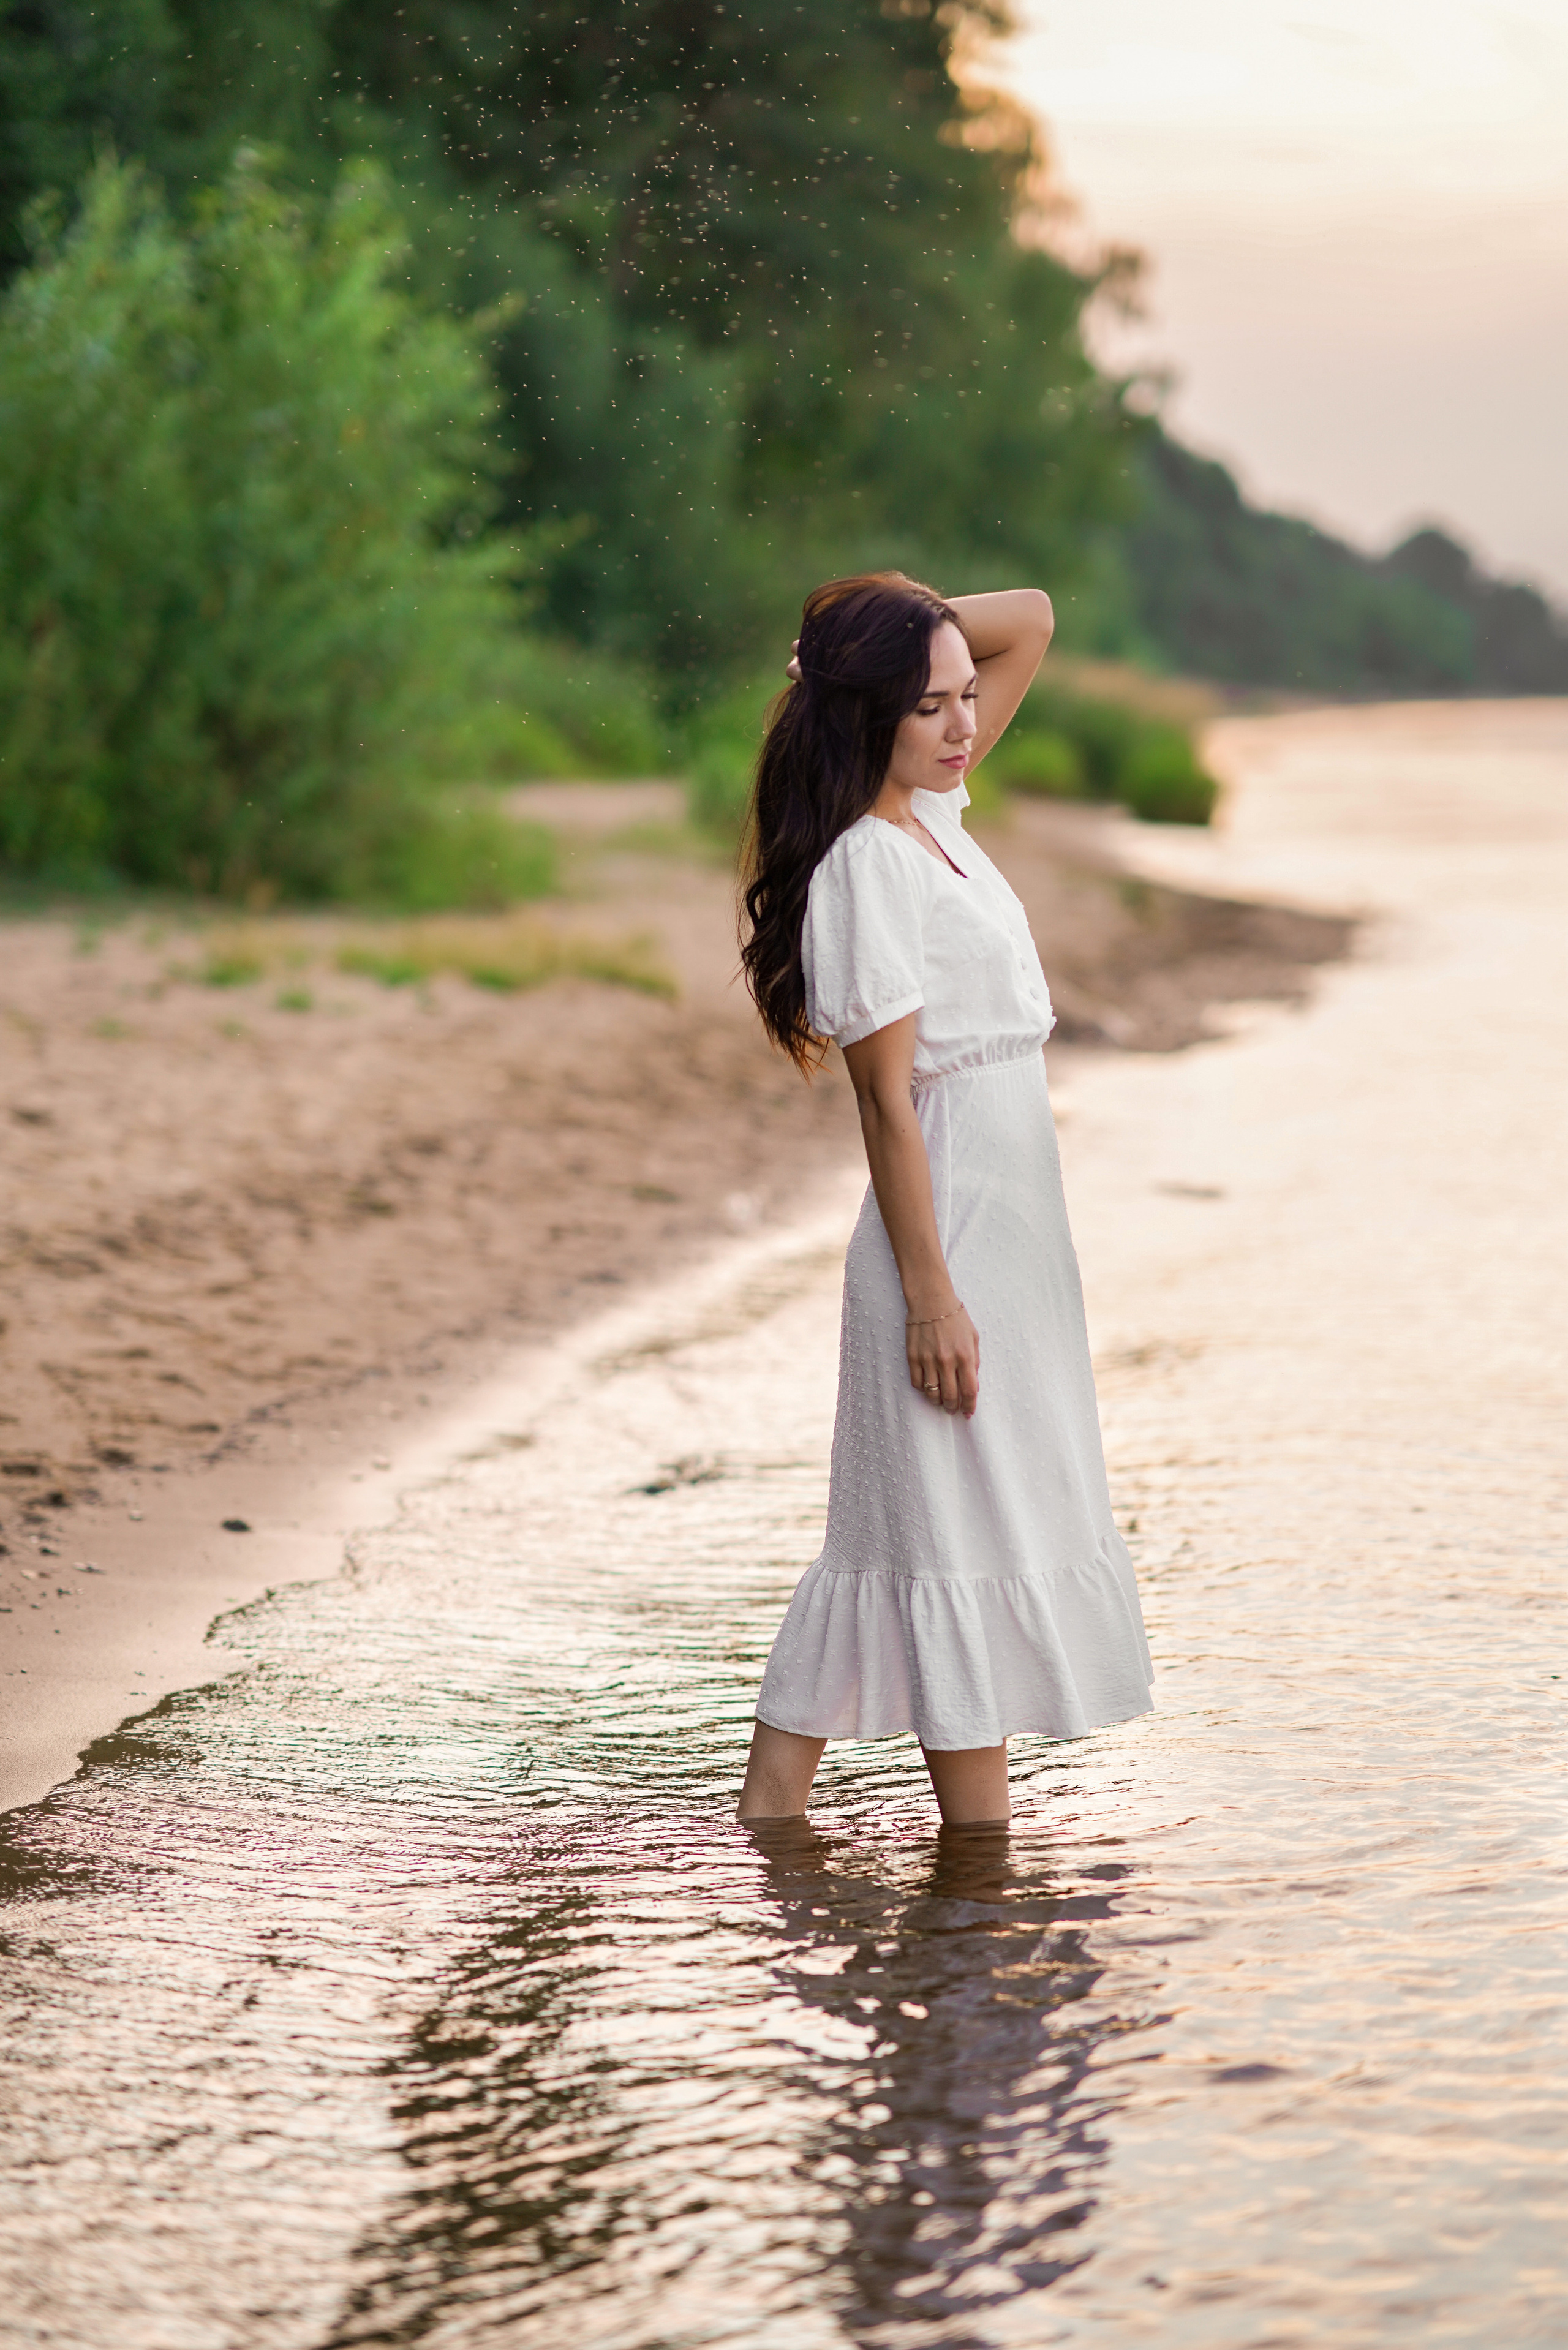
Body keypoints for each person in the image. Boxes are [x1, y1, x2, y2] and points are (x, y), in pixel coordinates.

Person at [735, 572, 1153, 1828]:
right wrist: (931, 1297)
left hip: (1011, 1244)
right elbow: (883, 1101)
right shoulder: (871, 863)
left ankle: (771, 1820)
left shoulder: (937, 817)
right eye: (929, 705)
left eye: (967, 697)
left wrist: (864, 638)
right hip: (948, 1241)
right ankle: (978, 1885)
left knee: (907, 1542)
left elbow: (1029, 609)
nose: (964, 721)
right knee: (945, 1540)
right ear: (871, 717)